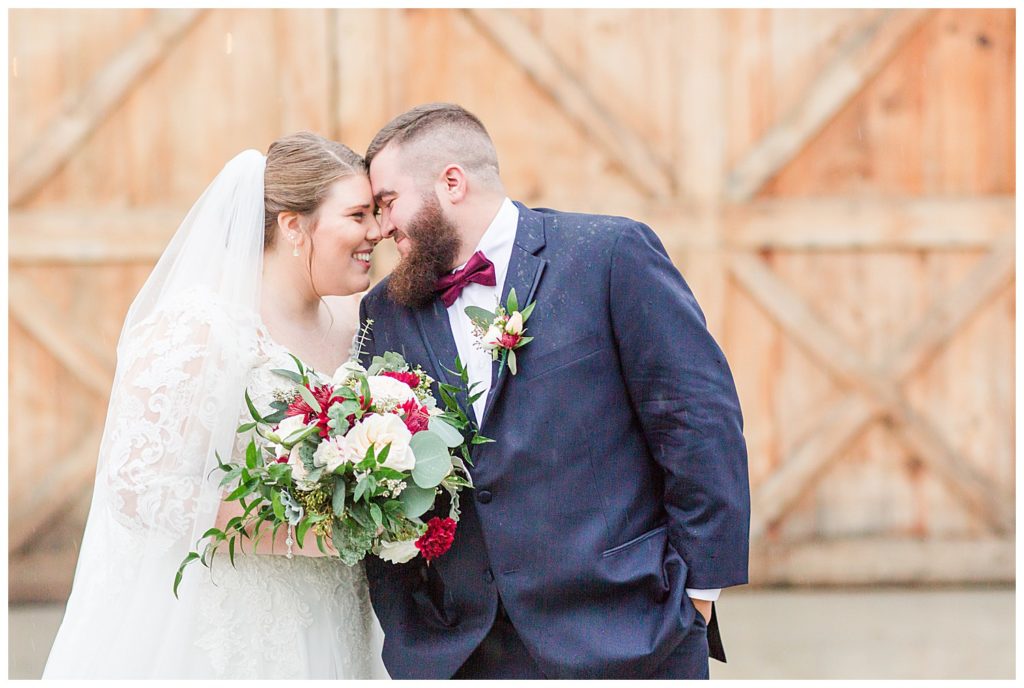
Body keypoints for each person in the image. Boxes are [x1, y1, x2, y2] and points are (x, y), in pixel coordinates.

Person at [357, 103, 751, 679]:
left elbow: (698, 419)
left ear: (452, 182)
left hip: (628, 630)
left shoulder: (610, 254)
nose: (381, 227)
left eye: (388, 202)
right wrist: (411, 630)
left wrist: (699, 594)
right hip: (462, 651)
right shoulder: (383, 312)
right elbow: (377, 480)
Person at [43, 133, 390, 679]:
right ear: (294, 226)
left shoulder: (359, 321)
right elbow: (138, 486)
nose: (377, 231)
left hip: (339, 614)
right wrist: (303, 529)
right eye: (357, 214)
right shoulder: (203, 326)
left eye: (376, 213)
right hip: (237, 620)